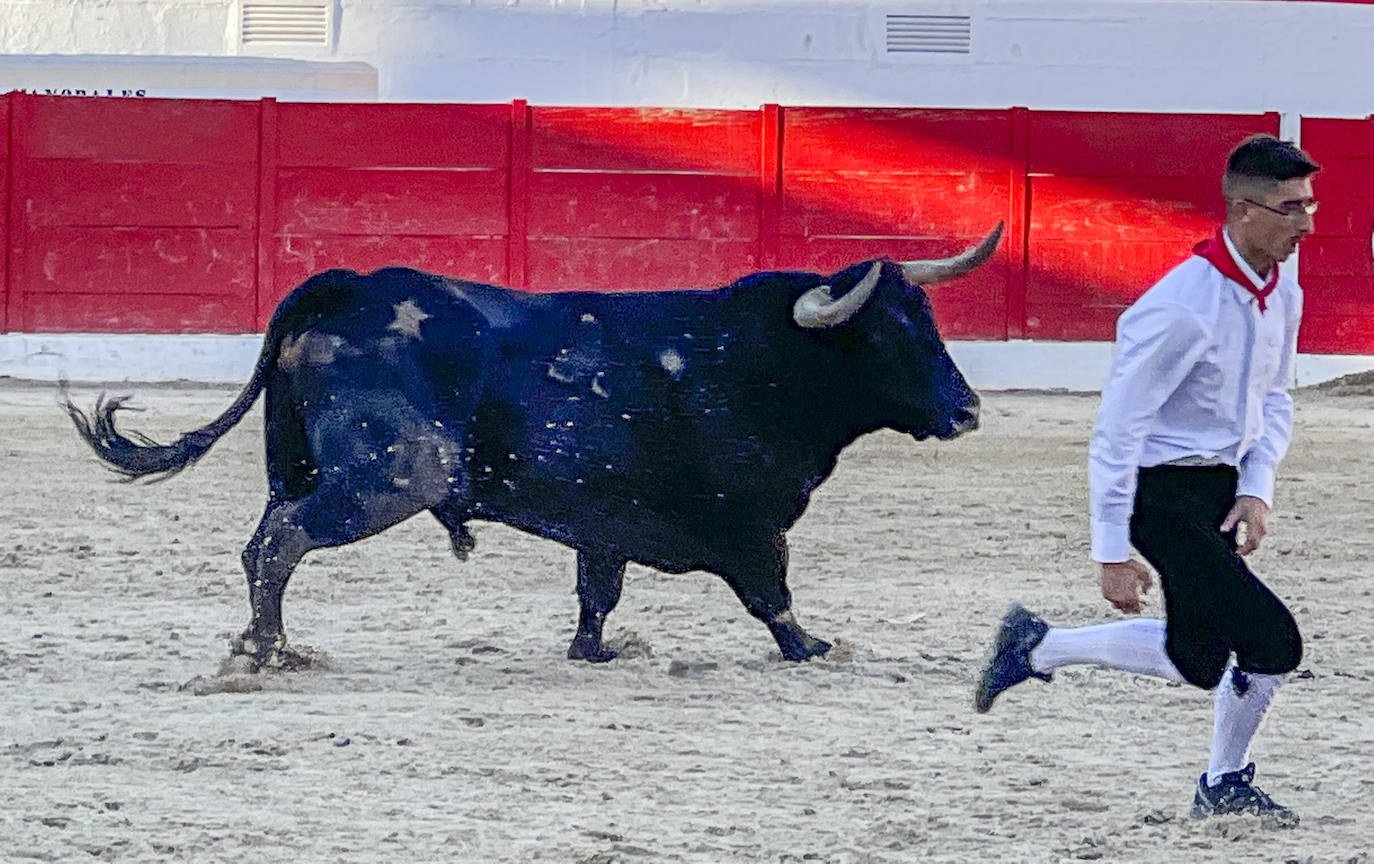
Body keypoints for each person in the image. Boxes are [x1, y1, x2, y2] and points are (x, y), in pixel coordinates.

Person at [974, 134, 1318, 828]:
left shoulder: (1283, 292)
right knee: (1272, 642)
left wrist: (1257, 486)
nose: (1306, 223)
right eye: (1291, 208)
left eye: (1310, 205)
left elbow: (1275, 396)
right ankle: (1223, 783)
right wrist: (1110, 548)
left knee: (1199, 657)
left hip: (1217, 486)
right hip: (1158, 495)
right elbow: (1117, 431)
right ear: (1245, 212)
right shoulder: (1179, 308)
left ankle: (1039, 645)